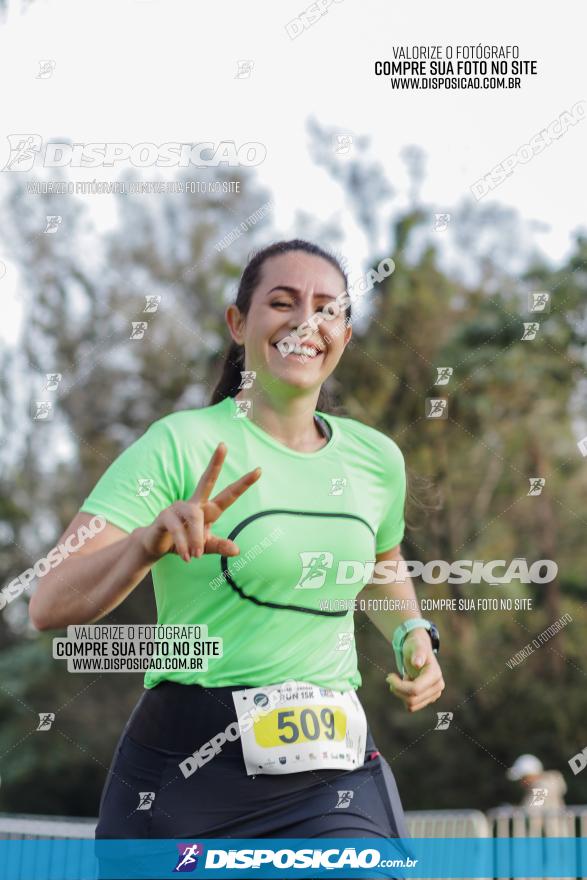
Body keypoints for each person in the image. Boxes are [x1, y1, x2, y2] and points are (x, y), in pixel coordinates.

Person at [29, 239, 445, 844]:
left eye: (328, 309)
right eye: (283, 302)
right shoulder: (179, 444)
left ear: (345, 337)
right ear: (239, 322)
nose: (306, 321)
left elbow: (380, 563)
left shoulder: (376, 459)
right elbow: (48, 602)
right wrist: (144, 545)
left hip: (333, 773)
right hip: (184, 771)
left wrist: (412, 632)